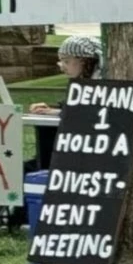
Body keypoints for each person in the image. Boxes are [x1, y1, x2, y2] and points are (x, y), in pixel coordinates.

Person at [28, 34, 103, 170]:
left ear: (85, 61)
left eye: (67, 61)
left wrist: (56, 112)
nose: (62, 67)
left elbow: (90, 113)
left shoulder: (101, 86)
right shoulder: (82, 85)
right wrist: (51, 110)